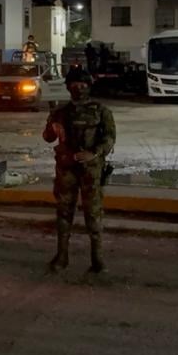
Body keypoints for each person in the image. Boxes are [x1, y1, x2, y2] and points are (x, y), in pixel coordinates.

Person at [42, 68, 116, 273]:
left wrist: (94, 153)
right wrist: (52, 128)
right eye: (74, 85)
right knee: (64, 212)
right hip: (66, 168)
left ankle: (97, 260)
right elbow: (48, 137)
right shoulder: (60, 112)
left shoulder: (101, 111)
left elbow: (109, 138)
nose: (79, 88)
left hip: (91, 170)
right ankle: (62, 256)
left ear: (89, 86)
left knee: (93, 213)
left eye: (83, 84)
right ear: (68, 87)